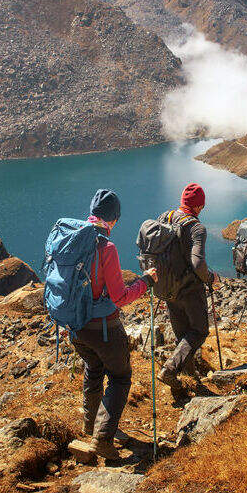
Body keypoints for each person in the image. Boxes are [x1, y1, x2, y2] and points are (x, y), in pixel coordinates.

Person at [73, 189, 157, 459]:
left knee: (93, 368)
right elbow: (120, 297)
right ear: (114, 219)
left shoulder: (72, 238)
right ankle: (102, 439)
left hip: (75, 327)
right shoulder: (105, 248)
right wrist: (146, 281)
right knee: (120, 378)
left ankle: (90, 425)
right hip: (102, 328)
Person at [155, 183, 219, 394]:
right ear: (199, 206)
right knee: (199, 331)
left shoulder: (165, 217)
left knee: (182, 334)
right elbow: (197, 264)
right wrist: (210, 278)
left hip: (167, 287)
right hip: (189, 290)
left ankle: (189, 377)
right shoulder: (196, 228)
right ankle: (170, 369)